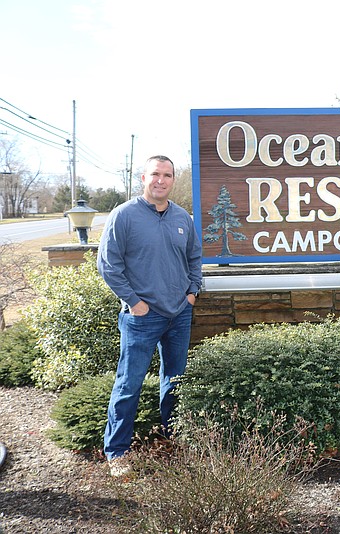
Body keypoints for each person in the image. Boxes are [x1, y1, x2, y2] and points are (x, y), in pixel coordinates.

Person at [97, 155, 202, 476]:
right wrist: (134, 302)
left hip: (179, 315)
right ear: (143, 178)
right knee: (129, 384)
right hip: (142, 317)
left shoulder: (182, 217)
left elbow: (194, 258)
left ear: (173, 180)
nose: (161, 180)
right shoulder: (124, 216)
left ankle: (174, 438)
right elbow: (108, 266)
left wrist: (192, 293)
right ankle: (117, 453)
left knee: (175, 381)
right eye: (155, 174)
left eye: (167, 175)